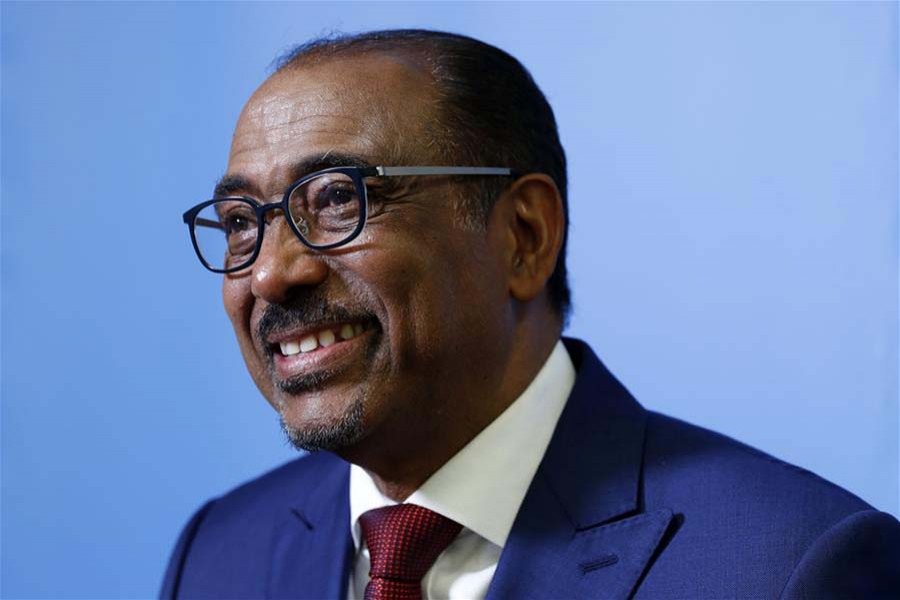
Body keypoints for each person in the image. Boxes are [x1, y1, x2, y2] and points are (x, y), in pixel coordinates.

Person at [163, 29, 900, 599]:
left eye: (336, 200)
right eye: (238, 222)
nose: (269, 271)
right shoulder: (220, 555)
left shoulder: (790, 565)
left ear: (524, 237)